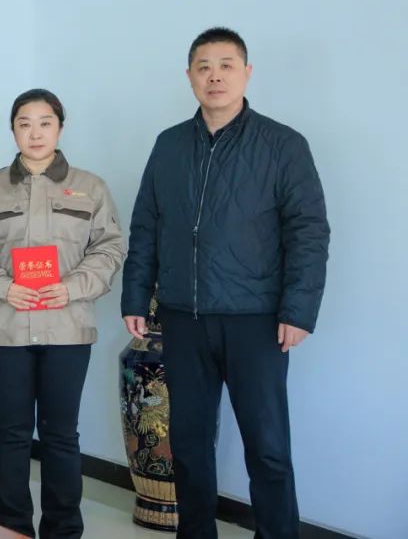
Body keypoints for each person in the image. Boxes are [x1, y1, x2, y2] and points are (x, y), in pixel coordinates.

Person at [121, 27, 329, 539]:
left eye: (226, 65)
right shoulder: (169, 145)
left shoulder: (282, 145)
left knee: (268, 447)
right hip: (183, 317)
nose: (215, 76)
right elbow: (146, 225)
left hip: (257, 320)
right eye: (204, 66)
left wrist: (298, 311)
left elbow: (308, 232)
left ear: (246, 73)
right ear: (190, 76)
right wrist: (135, 297)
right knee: (189, 444)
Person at [0, 88, 125, 538]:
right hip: (6, 328)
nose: (35, 133)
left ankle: (63, 530)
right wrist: (4, 287)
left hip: (67, 329)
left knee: (61, 435)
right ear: (13, 130)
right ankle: (10, 528)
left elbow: (109, 249)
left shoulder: (90, 188)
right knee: (11, 432)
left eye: (45, 123)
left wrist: (71, 288)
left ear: (60, 128)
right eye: (25, 124)